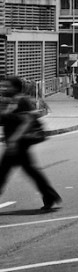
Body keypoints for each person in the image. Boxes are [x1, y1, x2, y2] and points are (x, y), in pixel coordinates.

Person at [0, 76, 62, 211]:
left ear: (15, 88)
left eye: (7, 86)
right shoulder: (9, 102)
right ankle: (49, 196)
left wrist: (14, 140)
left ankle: (50, 196)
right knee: (31, 172)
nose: (4, 88)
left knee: (4, 173)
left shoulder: (22, 101)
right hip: (15, 144)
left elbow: (27, 122)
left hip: (19, 143)